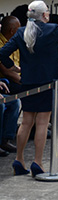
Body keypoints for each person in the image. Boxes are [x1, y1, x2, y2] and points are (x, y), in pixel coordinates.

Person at [0, 0, 58, 176]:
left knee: (26, 122)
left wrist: (13, 67)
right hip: (47, 83)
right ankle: (37, 162)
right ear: (44, 15)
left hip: (28, 82)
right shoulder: (51, 30)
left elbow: (2, 53)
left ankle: (19, 159)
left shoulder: (22, 32)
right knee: (41, 124)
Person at [0, 16, 21, 155]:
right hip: (9, 79)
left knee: (15, 102)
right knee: (1, 104)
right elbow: (6, 71)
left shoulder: (16, 41)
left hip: (4, 83)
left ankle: (5, 140)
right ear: (13, 30)